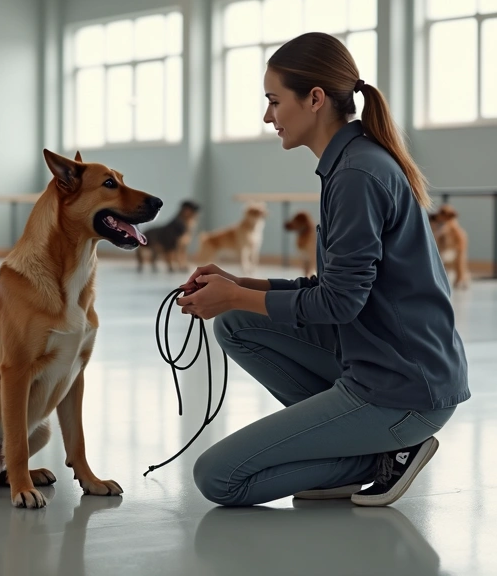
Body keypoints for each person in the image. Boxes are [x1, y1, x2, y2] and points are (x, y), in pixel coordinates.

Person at [178, 33, 470, 508]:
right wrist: (238, 287)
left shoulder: (356, 174)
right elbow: (332, 289)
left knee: (219, 478)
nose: (268, 116)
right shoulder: (349, 165)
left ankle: (383, 455)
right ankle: (356, 440)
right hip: (379, 363)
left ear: (314, 99)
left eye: (274, 101)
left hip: (404, 388)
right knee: (237, 323)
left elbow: (338, 303)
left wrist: (233, 295)